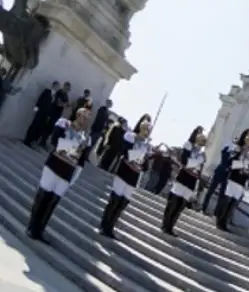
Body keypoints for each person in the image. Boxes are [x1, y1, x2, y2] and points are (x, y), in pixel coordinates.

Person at [27, 106, 92, 242]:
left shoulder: (86, 138)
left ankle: (40, 230)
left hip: (68, 171)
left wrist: (75, 176)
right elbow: (54, 140)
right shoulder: (64, 123)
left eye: (87, 118)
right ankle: (32, 227)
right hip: (54, 165)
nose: (84, 120)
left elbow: (82, 160)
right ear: (77, 115)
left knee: (53, 201)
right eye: (83, 116)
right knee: (43, 196)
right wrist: (71, 147)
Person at [99, 117, 152, 238]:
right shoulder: (130, 136)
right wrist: (138, 155)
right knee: (114, 199)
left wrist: (143, 161)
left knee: (123, 203)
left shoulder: (146, 146)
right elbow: (125, 151)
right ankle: (104, 225)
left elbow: (145, 165)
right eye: (145, 129)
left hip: (134, 176)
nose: (147, 132)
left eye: (149, 130)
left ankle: (111, 227)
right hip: (123, 172)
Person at [163, 126, 206, 235]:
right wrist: (198, 160)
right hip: (182, 178)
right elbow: (185, 161)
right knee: (173, 203)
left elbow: (199, 170)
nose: (201, 136)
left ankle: (171, 227)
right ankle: (165, 225)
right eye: (199, 133)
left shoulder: (201, 153)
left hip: (191, 181)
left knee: (180, 207)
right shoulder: (188, 145)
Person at [215, 129, 249, 231]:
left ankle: (225, 222)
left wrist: (248, 179)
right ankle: (220, 220)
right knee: (227, 200)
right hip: (234, 177)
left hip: (242, 180)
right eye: (248, 136)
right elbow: (230, 162)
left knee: (233, 202)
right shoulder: (237, 148)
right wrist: (241, 160)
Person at [22, 80, 59, 148]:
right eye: (56, 86)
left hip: (46, 114)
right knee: (34, 124)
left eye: (58, 87)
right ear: (53, 85)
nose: (57, 87)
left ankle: (32, 140)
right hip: (40, 111)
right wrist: (36, 108)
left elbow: (52, 106)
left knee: (40, 127)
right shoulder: (47, 91)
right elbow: (40, 99)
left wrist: (49, 115)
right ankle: (27, 139)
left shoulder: (55, 96)